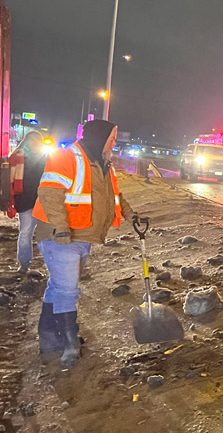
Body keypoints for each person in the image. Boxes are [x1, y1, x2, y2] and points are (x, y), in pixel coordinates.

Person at [32, 120, 136, 366]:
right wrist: (60, 227)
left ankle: (48, 338)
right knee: (67, 290)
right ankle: (69, 344)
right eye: (111, 138)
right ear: (99, 138)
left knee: (59, 286)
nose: (113, 142)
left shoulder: (103, 164)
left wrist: (132, 215)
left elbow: (114, 196)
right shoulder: (65, 158)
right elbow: (49, 193)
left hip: (82, 235)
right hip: (61, 236)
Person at [6, 131, 49, 273]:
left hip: (44, 200)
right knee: (25, 233)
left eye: (37, 141)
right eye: (32, 141)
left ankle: (52, 265)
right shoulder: (17, 157)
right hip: (25, 201)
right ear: (27, 141)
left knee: (46, 235)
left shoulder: (46, 158)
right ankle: (24, 264)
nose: (35, 144)